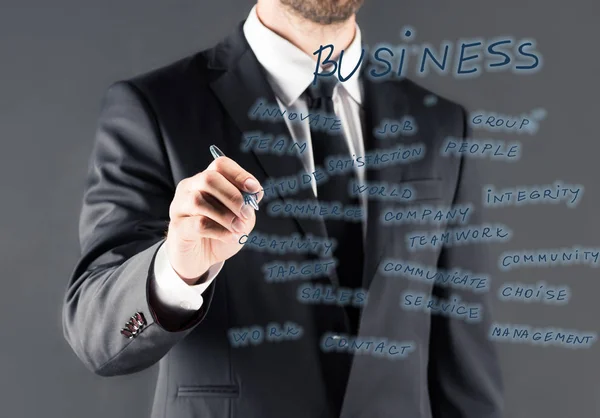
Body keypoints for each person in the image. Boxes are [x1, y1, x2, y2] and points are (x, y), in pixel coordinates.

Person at [62, 0, 504, 417]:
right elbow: (96, 334)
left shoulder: (441, 125)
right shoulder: (155, 108)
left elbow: (465, 371)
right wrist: (178, 268)